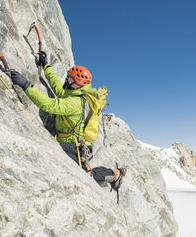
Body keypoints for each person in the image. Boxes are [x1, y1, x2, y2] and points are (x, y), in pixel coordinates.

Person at [10, 51, 126, 190]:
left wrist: (26, 85)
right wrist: (46, 66)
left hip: (74, 146)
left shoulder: (75, 103)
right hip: (71, 142)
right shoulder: (73, 94)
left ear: (78, 84)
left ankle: (114, 175)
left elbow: (48, 104)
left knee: (85, 175)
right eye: (68, 78)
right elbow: (57, 87)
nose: (67, 81)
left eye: (70, 80)